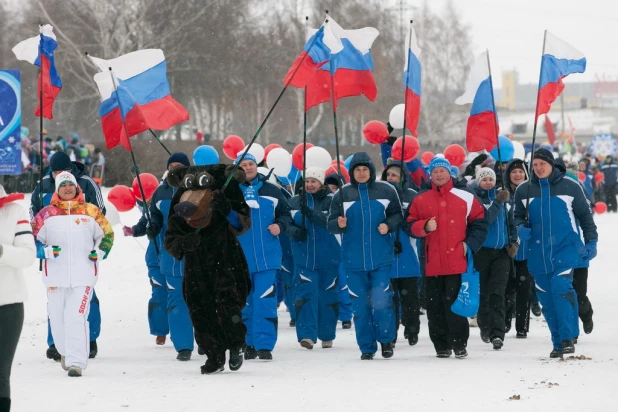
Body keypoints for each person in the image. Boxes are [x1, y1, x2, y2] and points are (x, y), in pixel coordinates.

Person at [514, 149, 598, 358]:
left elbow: (585, 217)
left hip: (565, 248)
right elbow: (516, 216)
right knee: (547, 300)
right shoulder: (524, 190)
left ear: (551, 164)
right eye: (534, 165)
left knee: (562, 288)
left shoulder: (570, 186)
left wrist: (592, 242)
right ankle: (558, 342)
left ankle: (568, 338)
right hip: (537, 251)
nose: (538, 168)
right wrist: (519, 228)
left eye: (542, 164)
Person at [32, 172, 114, 377]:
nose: (67, 188)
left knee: (76, 316)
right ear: (57, 190)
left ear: (77, 187)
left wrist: (101, 251)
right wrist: (45, 251)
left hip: (83, 275)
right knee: (57, 318)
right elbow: (31, 239)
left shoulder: (91, 211)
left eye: (71, 184)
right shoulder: (45, 214)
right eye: (63, 185)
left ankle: (77, 362)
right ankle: (65, 353)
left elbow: (107, 235)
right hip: (55, 277)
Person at [406, 156, 488, 359]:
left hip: (457, 262)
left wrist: (469, 245)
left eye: (442, 171)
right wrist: (423, 227)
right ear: (430, 175)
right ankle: (441, 345)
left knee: (455, 304)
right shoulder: (420, 198)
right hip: (431, 263)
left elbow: (480, 222)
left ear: (448, 173)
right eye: (435, 172)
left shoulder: (465, 196)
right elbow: (408, 223)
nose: (439, 175)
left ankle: (460, 344)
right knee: (434, 306)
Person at [328, 152, 402, 360]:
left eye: (365, 169)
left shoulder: (386, 190)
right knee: (360, 306)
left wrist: (388, 225)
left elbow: (398, 215)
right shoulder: (341, 194)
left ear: (371, 170)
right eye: (357, 170)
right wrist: (338, 224)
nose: (361, 173)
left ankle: (386, 340)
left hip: (380, 258)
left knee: (381, 302)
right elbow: (330, 223)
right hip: (353, 261)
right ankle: (367, 347)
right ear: (352, 172)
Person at [236, 153, 292, 361]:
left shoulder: (272, 190)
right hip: (239, 259)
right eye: (243, 165)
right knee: (245, 303)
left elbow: (286, 214)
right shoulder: (230, 193)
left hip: (267, 258)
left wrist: (280, 226)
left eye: (251, 164)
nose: (248, 168)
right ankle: (247, 343)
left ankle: (264, 345)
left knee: (265, 302)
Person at [147, 153, 195, 361]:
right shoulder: (161, 192)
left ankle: (205, 339)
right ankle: (183, 345)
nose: (175, 168)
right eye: (172, 165)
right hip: (172, 256)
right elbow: (154, 217)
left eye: (179, 165)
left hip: (197, 254)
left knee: (199, 299)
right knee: (176, 299)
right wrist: (152, 226)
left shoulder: (199, 189)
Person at [287, 167, 340, 350]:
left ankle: (326, 334)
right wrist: (294, 231)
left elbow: (330, 223)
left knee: (328, 296)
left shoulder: (331, 201)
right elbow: (285, 223)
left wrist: (311, 213)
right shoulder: (294, 202)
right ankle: (307, 335)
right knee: (305, 295)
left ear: (321, 183)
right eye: (307, 181)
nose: (309, 185)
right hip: (304, 258)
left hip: (329, 257)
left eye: (314, 181)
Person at [471, 167, 517, 350]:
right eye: (484, 179)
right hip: (482, 252)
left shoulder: (504, 199)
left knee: (498, 291)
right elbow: (486, 219)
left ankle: (498, 333)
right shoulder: (475, 200)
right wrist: (498, 201)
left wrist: (514, 242)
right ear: (478, 182)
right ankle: (484, 325)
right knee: (484, 292)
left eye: (491, 179)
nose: (488, 182)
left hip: (502, 253)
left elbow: (511, 224)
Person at [0, 185, 36, 411]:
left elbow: (27, 256)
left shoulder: (15, 211)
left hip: (8, 305)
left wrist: (2, 252)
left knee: (0, 373)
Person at [381, 160, 421, 346]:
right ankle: (391, 334)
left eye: (395, 175)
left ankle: (412, 329)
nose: (391, 178)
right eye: (388, 175)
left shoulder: (412, 195)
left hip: (407, 254)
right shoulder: (380, 194)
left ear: (403, 177)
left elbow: (417, 222)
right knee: (389, 299)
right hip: (386, 254)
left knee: (410, 298)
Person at [123, 195, 169, 346]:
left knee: (181, 295)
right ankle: (160, 331)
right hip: (155, 257)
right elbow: (144, 223)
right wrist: (134, 230)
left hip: (178, 255)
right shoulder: (156, 200)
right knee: (159, 292)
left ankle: (182, 330)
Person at [502, 159, 536, 339]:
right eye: (513, 172)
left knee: (525, 289)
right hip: (506, 250)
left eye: (521, 172)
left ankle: (522, 326)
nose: (517, 175)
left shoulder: (532, 193)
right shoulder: (503, 193)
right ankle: (505, 321)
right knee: (507, 289)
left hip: (527, 249)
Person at [564, 163, 595, 338]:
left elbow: (588, 216)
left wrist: (590, 243)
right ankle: (570, 331)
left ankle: (586, 315)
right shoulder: (555, 195)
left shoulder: (580, 191)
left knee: (579, 293)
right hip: (558, 251)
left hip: (578, 251)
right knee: (565, 293)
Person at [324, 172, 352, 329]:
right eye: (330, 188)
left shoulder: (346, 201)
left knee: (343, 283)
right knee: (329, 285)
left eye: (336, 188)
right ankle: (330, 315)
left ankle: (346, 315)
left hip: (343, 248)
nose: (332, 191)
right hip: (327, 249)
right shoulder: (325, 202)